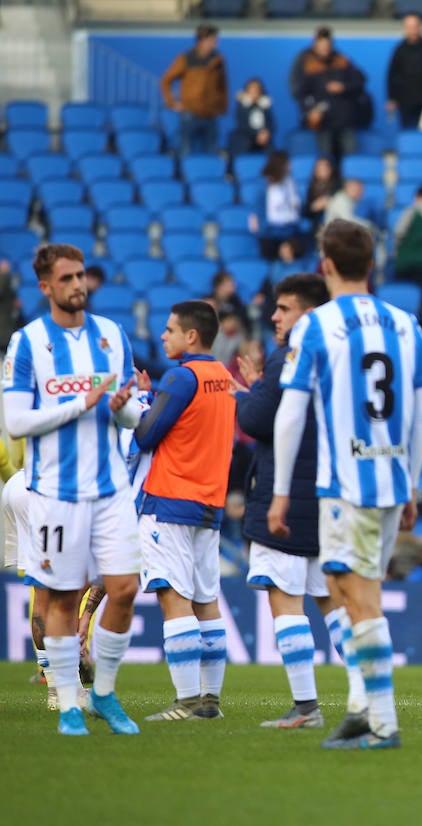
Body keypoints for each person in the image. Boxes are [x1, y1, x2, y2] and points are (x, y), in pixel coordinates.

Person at [269, 219, 422, 750]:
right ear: (372, 263)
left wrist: (278, 493)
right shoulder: (408, 324)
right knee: (344, 590)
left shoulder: (315, 326)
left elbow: (291, 413)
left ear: (327, 265)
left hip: (346, 485)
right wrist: (411, 482)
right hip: (389, 480)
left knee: (359, 599)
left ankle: (382, 723)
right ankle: (362, 707)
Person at [3, 244, 144, 736]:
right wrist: (80, 404)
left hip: (110, 489)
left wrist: (125, 405)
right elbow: (16, 422)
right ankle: (66, 703)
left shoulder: (110, 335)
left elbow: (128, 413)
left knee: (124, 588)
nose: (77, 285)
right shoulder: (28, 344)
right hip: (56, 491)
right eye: (66, 278)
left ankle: (102, 691)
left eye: (81, 275)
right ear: (46, 286)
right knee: (62, 598)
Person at [237, 273, 370, 730]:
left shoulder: (288, 358)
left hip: (287, 492)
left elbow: (257, 420)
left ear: (309, 314)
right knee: (330, 601)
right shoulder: (346, 357)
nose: (275, 317)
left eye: (285, 308)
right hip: (330, 493)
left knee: (285, 598)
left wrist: (251, 392)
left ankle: (306, 706)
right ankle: (365, 692)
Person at [134, 301, 236, 722]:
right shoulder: (225, 377)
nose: (163, 336)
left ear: (191, 336)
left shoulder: (181, 377)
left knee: (173, 597)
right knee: (206, 600)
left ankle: (188, 701)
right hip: (210, 502)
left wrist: (144, 398)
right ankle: (210, 699)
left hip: (170, 499)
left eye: (170, 329)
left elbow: (145, 434)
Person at [298, 29, 368, 164]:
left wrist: (343, 87)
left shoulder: (342, 61)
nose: (324, 50)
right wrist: (310, 111)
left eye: (327, 46)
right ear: (315, 46)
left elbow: (360, 80)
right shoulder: (309, 66)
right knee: (325, 160)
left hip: (345, 120)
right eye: (321, 46)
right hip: (323, 122)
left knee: (350, 159)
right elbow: (302, 94)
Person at [160, 25, 228, 155]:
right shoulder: (185, 59)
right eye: (212, 40)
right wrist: (172, 103)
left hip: (211, 115)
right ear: (202, 41)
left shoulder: (218, 60)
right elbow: (165, 80)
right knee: (186, 151)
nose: (215, 43)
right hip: (190, 114)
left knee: (210, 153)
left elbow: (223, 86)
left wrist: (221, 107)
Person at [385, 14, 422, 130]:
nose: (412, 30)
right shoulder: (399, 50)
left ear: (420, 27)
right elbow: (391, 76)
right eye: (409, 27)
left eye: (415, 26)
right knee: (407, 134)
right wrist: (391, 98)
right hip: (405, 102)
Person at [249, 151, 309, 263]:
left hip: (290, 230)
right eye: (287, 164)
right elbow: (259, 206)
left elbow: (298, 203)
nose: (290, 167)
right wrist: (263, 228)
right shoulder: (264, 183)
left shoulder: (290, 181)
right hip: (270, 233)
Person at [228, 77, 274, 155]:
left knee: (271, 150)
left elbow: (271, 123)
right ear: (247, 91)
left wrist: (266, 132)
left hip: (263, 138)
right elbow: (242, 125)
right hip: (246, 138)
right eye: (251, 90)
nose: (254, 93)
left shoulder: (265, 106)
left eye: (256, 90)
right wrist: (257, 134)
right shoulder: (242, 107)